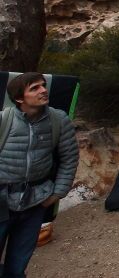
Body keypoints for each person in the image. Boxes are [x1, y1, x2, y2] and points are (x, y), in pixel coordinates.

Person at [1, 72, 78, 277]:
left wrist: (57, 193)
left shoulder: (58, 120)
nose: (43, 90)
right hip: (1, 199)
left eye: (43, 85)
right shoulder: (3, 120)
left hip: (36, 201)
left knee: (17, 267)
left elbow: (69, 158)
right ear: (19, 98)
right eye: (34, 88)